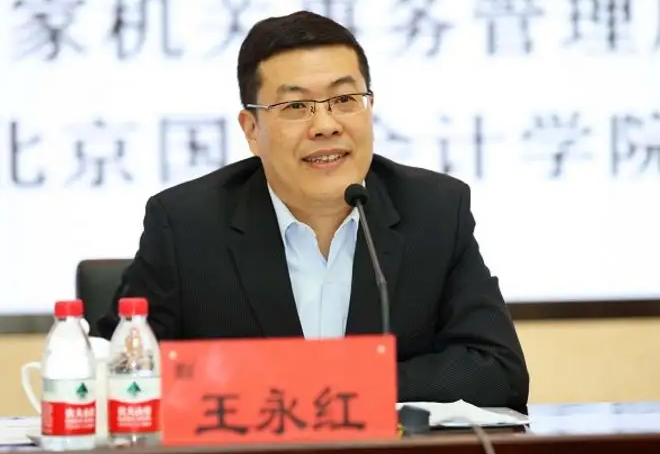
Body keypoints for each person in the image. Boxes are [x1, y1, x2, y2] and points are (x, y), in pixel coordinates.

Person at [95, 10, 529, 413]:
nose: (325, 125)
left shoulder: (434, 211)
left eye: (345, 99)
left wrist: (334, 386)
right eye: (296, 107)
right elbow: (119, 372)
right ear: (251, 129)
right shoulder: (187, 225)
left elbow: (498, 372)